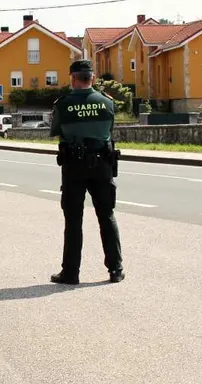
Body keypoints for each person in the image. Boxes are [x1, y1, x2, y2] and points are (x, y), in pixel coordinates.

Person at [49, 59, 125, 285]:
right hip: (103, 165)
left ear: (72, 78)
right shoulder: (107, 103)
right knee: (107, 215)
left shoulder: (63, 104)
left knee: (73, 220)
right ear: (92, 78)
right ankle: (116, 269)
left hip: (74, 166)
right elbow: (109, 130)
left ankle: (71, 272)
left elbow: (55, 131)